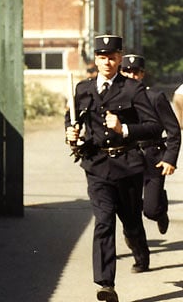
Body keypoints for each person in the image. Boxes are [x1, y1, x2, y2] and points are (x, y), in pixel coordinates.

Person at [65, 35, 162, 302]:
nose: (107, 62)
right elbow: (71, 116)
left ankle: (141, 254)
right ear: (95, 59)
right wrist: (70, 132)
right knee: (103, 221)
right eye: (101, 57)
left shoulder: (133, 89)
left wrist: (125, 128)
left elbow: (154, 126)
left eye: (112, 57)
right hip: (97, 167)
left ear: (120, 58)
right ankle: (106, 284)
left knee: (131, 223)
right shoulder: (83, 89)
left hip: (128, 166)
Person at [120, 54, 180, 235]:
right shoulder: (116, 98)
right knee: (129, 208)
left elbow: (173, 130)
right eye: (127, 71)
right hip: (127, 157)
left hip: (152, 155)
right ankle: (134, 241)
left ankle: (160, 210)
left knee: (151, 210)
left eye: (135, 72)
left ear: (142, 74)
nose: (131, 75)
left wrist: (170, 158)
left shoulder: (155, 97)